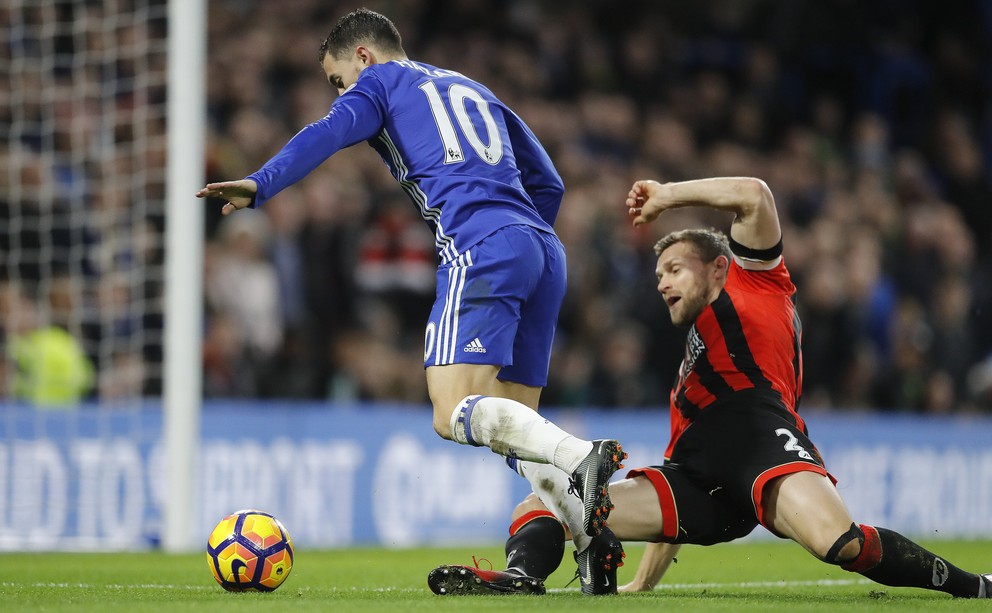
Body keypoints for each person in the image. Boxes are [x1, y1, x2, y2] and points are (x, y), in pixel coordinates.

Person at [194, 7, 625, 593]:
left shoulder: (378, 83)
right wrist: (521, 244)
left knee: (451, 413)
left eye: (336, 79)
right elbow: (548, 180)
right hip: (543, 250)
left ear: (364, 56)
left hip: (482, 246)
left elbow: (324, 134)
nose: (340, 92)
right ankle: (591, 545)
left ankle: (582, 455)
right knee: (515, 427)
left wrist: (260, 183)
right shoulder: (470, 86)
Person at [486, 176, 991, 598]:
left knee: (838, 543)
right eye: (659, 273)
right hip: (703, 484)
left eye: (675, 269)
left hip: (760, 437)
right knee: (542, 502)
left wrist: (668, 196)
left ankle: (975, 588)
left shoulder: (758, 278)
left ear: (719, 267)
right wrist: (642, 584)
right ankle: (522, 577)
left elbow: (754, 194)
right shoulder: (690, 379)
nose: (661, 282)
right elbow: (670, 505)